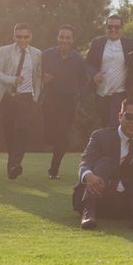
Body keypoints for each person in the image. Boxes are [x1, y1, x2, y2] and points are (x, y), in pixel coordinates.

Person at [73, 97, 133, 230]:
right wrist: (88, 176)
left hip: (120, 205)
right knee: (105, 163)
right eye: (129, 116)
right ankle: (88, 213)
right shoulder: (100, 136)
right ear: (120, 116)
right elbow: (86, 161)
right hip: (95, 197)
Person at [86, 14, 133, 128]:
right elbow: (87, 63)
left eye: (117, 27)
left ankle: (114, 144)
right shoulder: (97, 43)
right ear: (106, 28)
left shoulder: (130, 44)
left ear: (122, 29)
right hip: (100, 92)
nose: (113, 29)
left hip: (119, 93)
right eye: (110, 27)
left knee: (114, 124)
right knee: (103, 123)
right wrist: (94, 74)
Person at [0, 22, 42, 180]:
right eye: (19, 37)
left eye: (25, 37)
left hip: (26, 96)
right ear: (14, 36)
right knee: (8, 132)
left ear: (30, 37)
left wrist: (35, 98)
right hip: (7, 96)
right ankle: (13, 165)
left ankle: (15, 164)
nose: (22, 40)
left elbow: (38, 78)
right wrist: (13, 80)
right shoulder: (4, 51)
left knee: (22, 128)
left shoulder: (37, 53)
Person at [41, 24, 88, 179]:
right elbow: (35, 73)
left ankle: (53, 170)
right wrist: (42, 78)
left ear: (72, 40)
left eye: (68, 38)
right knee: (49, 135)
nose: (64, 40)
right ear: (57, 38)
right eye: (62, 37)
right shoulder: (46, 55)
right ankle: (53, 140)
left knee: (62, 136)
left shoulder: (78, 59)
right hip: (49, 99)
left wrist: (82, 100)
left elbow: (82, 81)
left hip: (68, 101)